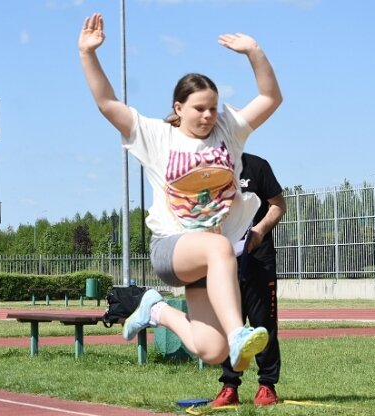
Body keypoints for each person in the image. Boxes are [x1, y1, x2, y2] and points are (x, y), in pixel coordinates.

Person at [79, 13, 283, 369]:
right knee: (219, 248)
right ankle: (239, 333)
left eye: (213, 108)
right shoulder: (158, 136)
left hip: (212, 260)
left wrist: (254, 51)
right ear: (179, 108)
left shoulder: (227, 131)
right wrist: (88, 54)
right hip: (172, 248)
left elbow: (270, 97)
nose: (208, 116)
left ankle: (156, 309)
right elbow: (107, 104)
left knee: (212, 350)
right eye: (199, 109)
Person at [212, 153, 286, 407]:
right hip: (224, 261)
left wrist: (259, 231)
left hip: (258, 259)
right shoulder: (207, 170)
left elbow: (278, 205)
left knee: (263, 323)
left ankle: (267, 385)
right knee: (229, 324)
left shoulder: (257, 166)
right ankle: (229, 386)